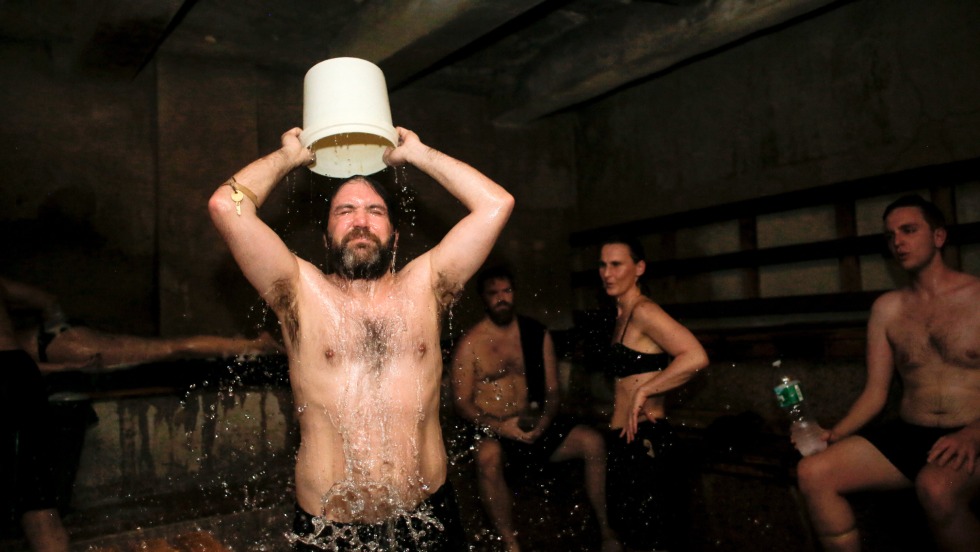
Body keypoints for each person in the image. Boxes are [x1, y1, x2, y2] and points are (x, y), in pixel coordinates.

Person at [209, 126, 513, 550]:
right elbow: (226, 206)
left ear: (395, 236)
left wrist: (419, 154)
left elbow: (496, 203)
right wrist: (290, 157)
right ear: (326, 237)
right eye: (345, 211)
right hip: (332, 531)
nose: (360, 221)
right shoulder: (298, 293)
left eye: (375, 211)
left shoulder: (428, 286)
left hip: (427, 518)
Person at [796, 194, 980, 552]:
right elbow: (875, 393)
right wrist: (834, 434)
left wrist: (974, 433)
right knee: (813, 473)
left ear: (938, 236)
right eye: (890, 235)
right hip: (911, 432)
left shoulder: (977, 297)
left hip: (973, 431)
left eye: (909, 230)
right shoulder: (887, 309)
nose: (898, 242)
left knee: (936, 488)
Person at [451, 265, 622, 552]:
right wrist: (501, 427)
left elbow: (553, 392)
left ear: (515, 293)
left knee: (592, 441)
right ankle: (511, 543)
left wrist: (543, 422)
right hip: (496, 429)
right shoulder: (470, 344)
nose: (502, 298)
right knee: (487, 457)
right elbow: (462, 403)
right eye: (494, 293)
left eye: (507, 291)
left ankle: (606, 529)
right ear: (483, 298)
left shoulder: (535, 333)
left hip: (534, 422)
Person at [598, 236, 709, 552]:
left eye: (616, 264)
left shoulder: (644, 311)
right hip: (624, 439)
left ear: (639, 268)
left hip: (648, 439)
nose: (607, 273)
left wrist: (646, 389)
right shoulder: (622, 314)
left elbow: (696, 356)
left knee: (654, 538)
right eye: (603, 265)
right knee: (630, 533)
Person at [2, 276, 280, 372]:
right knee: (169, 347)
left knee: (173, 348)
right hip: (55, 336)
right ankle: (252, 344)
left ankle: (256, 345)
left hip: (57, 347)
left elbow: (14, 365)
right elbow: (47, 301)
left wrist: (65, 366)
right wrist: (55, 327)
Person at [1, 280, 72, 551]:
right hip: (16, 371)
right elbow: (47, 300)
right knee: (38, 505)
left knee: (37, 504)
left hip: (14, 371)